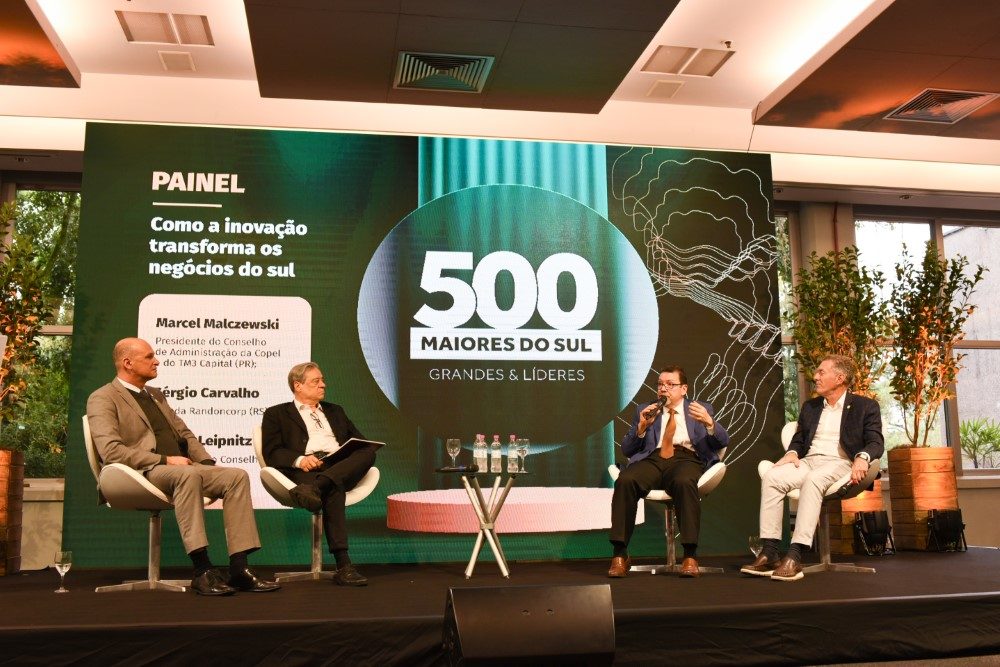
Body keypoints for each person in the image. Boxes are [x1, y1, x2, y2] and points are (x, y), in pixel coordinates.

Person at [86, 337, 280, 596]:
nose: (157, 361)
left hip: (180, 468)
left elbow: (184, 434)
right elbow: (111, 451)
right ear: (127, 363)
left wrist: (207, 464)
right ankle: (202, 570)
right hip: (140, 472)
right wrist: (165, 460)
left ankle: (239, 568)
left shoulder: (155, 395)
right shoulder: (103, 397)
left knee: (236, 476)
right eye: (149, 356)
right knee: (187, 475)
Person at [742, 354, 884, 581]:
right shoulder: (811, 406)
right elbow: (799, 440)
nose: (815, 377)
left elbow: (876, 442)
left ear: (840, 378)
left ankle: (795, 554)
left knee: (814, 479)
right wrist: (791, 453)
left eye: (821, 372)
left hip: (840, 463)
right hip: (809, 461)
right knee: (772, 477)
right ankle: (770, 552)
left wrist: (863, 457)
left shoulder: (865, 406)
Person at [261, 362, 378, 587]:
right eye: (316, 381)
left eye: (322, 380)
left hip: (338, 465)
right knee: (334, 485)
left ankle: (316, 488)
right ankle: (344, 565)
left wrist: (345, 454)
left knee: (368, 453)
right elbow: (272, 452)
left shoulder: (336, 411)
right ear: (298, 385)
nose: (323, 385)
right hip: (306, 469)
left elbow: (360, 442)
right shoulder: (277, 413)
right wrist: (300, 460)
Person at [609, 366, 729, 578]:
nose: (663, 389)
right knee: (625, 480)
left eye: (670, 384)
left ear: (684, 389)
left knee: (684, 481)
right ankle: (620, 554)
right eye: (660, 384)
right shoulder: (646, 409)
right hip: (652, 459)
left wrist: (710, 423)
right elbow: (627, 449)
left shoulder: (700, 409)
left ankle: (690, 556)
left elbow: (722, 441)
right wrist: (641, 428)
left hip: (686, 458)